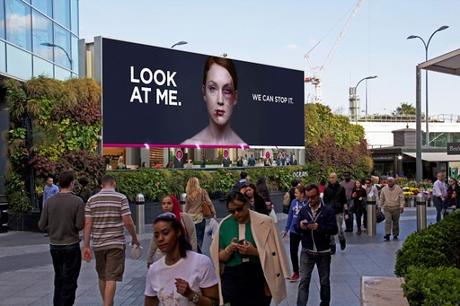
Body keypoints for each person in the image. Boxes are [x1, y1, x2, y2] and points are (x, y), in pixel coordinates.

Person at [210, 192, 290, 306]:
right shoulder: (225, 224)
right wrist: (229, 249)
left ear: (247, 204)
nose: (236, 214)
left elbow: (275, 254)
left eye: (239, 209)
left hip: (258, 275)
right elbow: (218, 257)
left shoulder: (265, 222)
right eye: (232, 211)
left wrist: (254, 252)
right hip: (233, 277)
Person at [83, 175, 140, 306]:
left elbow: (87, 223)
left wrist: (86, 246)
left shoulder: (91, 200)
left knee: (102, 276)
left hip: (98, 243)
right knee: (111, 276)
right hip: (116, 243)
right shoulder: (121, 198)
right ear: (114, 183)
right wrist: (134, 238)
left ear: (101, 185)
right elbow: (128, 221)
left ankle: (107, 303)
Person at [145, 213, 219, 306]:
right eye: (156, 235)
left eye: (165, 233)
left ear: (178, 232)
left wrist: (191, 295)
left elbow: (215, 303)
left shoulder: (201, 262)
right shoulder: (154, 270)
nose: (160, 239)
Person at [38, 171, 84, 306]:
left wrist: (52, 228)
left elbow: (41, 224)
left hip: (55, 244)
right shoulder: (77, 201)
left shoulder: (50, 201)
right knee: (70, 281)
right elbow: (79, 225)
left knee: (59, 278)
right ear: (72, 183)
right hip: (71, 244)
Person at [182, 56, 246, 146]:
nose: (220, 100)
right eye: (212, 88)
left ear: (235, 97)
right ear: (204, 92)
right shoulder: (187, 145)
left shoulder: (243, 147)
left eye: (227, 91)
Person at [296, 184, 338, 306]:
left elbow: (334, 229)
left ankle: (324, 303)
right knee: (304, 281)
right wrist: (301, 226)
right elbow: (296, 228)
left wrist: (319, 227)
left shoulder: (328, 210)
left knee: (324, 281)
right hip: (307, 251)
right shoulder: (304, 210)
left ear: (318, 196)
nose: (310, 200)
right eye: (308, 197)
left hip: (323, 252)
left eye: (313, 197)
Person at [147, 195, 197, 267]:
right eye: (163, 203)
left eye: (169, 203)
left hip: (181, 255)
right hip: (162, 257)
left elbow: (193, 238)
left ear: (175, 204)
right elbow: (154, 240)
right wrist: (149, 258)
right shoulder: (160, 220)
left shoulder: (185, 218)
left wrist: (193, 258)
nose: (166, 206)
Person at [281, 184, 307, 282]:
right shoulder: (293, 202)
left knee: (305, 251)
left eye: (297, 193)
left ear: (302, 194)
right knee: (293, 251)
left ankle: (304, 270)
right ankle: (296, 271)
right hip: (294, 230)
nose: (295, 195)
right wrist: (286, 229)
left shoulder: (307, 203)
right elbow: (290, 216)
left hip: (304, 231)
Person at [185, 177, 216, 252]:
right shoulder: (202, 192)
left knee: (191, 237)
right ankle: (198, 253)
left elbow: (186, 208)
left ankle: (192, 252)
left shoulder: (188, 195)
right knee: (199, 237)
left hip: (190, 218)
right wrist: (213, 212)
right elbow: (209, 202)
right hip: (200, 217)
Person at [323, 172, 348, 253]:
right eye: (330, 177)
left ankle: (342, 239)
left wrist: (346, 212)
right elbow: (325, 201)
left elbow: (344, 201)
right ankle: (332, 247)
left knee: (339, 229)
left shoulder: (341, 188)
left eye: (333, 177)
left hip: (339, 211)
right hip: (329, 211)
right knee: (330, 230)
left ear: (336, 178)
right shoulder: (326, 189)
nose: (332, 179)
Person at [379, 177, 405, 241]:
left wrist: (402, 206)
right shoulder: (384, 189)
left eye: (391, 181)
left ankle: (395, 234)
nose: (390, 182)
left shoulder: (398, 189)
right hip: (387, 208)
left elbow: (402, 198)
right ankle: (387, 234)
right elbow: (381, 198)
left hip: (396, 208)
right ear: (387, 182)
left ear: (394, 182)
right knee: (388, 221)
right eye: (388, 181)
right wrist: (379, 206)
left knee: (396, 222)